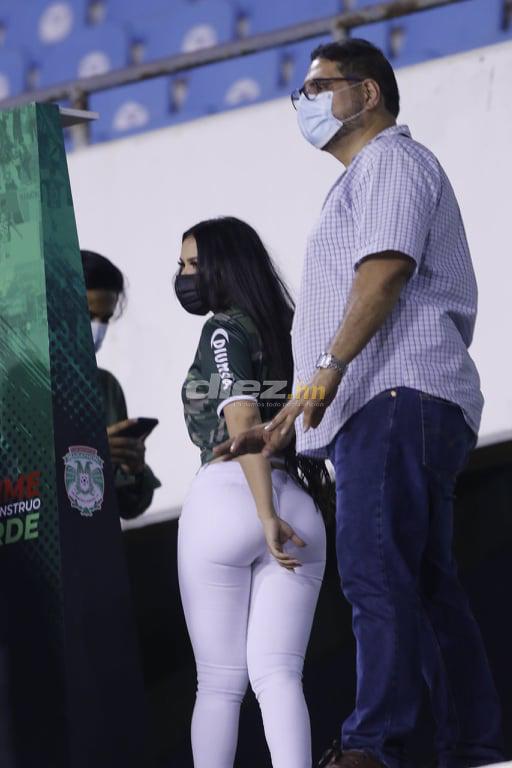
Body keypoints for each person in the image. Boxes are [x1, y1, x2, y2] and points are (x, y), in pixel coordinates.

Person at [212, 39, 505, 768]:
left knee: (378, 576)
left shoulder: (392, 163)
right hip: (389, 402)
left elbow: (383, 275)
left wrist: (329, 368)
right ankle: (470, 741)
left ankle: (378, 743)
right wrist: (285, 422)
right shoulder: (359, 181)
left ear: (367, 93)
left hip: (395, 396)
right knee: (424, 582)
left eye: (317, 89)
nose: (303, 105)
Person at [175, 217, 330, 768]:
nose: (185, 276)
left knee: (219, 684)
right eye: (182, 266)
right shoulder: (295, 325)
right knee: (280, 674)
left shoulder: (223, 329)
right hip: (299, 502)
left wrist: (263, 512)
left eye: (194, 264)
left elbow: (240, 414)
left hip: (232, 497)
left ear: (223, 266)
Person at [81, 249, 161, 519]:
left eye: (105, 319)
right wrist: (89, 452)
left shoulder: (105, 387)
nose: (97, 328)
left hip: (94, 546)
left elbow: (128, 507)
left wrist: (134, 469)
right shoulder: (17, 382)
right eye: (88, 314)